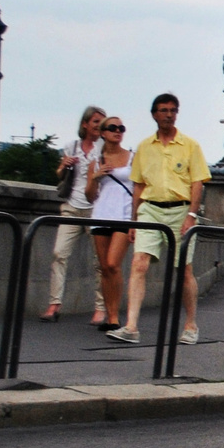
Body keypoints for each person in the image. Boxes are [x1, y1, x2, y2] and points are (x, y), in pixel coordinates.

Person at [108, 94, 211, 345]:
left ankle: (191, 325)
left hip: (180, 210)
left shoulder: (190, 145)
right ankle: (131, 326)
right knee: (138, 264)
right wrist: (133, 221)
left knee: (183, 269)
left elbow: (198, 183)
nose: (168, 115)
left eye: (173, 111)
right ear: (154, 114)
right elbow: (138, 186)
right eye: (163, 110)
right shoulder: (144, 147)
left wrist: (191, 215)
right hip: (150, 210)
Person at [43, 105, 107, 324]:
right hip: (71, 207)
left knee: (99, 261)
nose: (100, 126)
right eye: (96, 121)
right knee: (59, 254)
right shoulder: (72, 146)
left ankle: (100, 308)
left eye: (102, 122)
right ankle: (54, 304)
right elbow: (60, 176)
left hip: (95, 208)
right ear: (85, 124)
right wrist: (64, 165)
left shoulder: (105, 148)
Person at [86, 116, 133, 332]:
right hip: (101, 214)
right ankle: (110, 314)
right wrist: (95, 177)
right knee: (104, 267)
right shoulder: (96, 161)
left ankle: (114, 317)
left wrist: (136, 219)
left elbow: (139, 188)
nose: (118, 131)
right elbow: (89, 196)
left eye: (121, 128)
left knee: (114, 264)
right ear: (103, 133)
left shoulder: (132, 158)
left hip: (124, 216)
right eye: (112, 128)